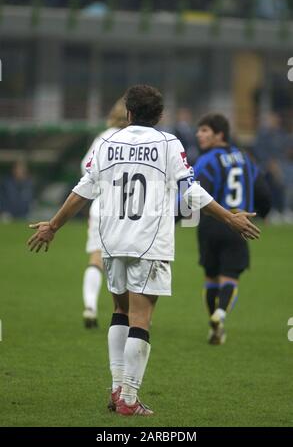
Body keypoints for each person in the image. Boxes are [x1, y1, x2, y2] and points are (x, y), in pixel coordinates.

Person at [27, 85, 260, 416]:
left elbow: (83, 191)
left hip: (112, 240)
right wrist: (229, 219)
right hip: (149, 242)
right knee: (141, 318)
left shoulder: (106, 142)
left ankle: (116, 388)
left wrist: (53, 225)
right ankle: (130, 399)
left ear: (129, 113)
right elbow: (190, 193)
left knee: (119, 312)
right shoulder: (168, 144)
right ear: (160, 116)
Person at [192, 113, 271, 345]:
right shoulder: (246, 159)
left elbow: (196, 194)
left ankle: (214, 325)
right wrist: (263, 213)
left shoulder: (206, 161)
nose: (199, 134)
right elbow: (263, 192)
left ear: (220, 135)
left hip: (209, 224)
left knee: (210, 278)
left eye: (205, 130)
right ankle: (221, 315)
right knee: (230, 278)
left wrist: (177, 216)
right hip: (238, 222)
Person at [80, 99, 128, 328]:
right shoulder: (137, 140)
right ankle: (125, 313)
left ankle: (90, 305)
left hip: (101, 205)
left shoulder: (103, 138)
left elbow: (86, 168)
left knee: (96, 258)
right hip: (128, 210)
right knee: (127, 261)